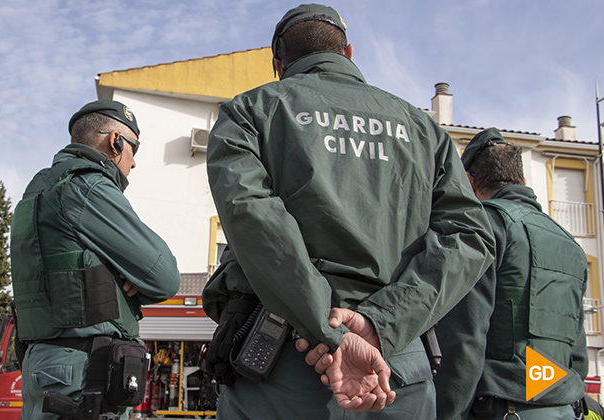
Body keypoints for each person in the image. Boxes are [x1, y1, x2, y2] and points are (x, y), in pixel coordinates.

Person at [201, 4, 495, 419]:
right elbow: (470, 236)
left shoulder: (251, 110)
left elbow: (254, 221)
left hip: (284, 365)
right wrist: (379, 324)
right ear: (349, 53)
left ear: (278, 64)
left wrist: (330, 331)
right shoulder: (424, 129)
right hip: (395, 368)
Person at [10, 99, 182, 419]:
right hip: (83, 372)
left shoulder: (36, 192)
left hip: (42, 363)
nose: (133, 164)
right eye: (134, 150)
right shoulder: (88, 185)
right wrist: (130, 276)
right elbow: (165, 276)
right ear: (116, 141)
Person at [434, 127, 589, 420]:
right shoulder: (571, 244)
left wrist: (448, 413)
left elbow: (464, 338)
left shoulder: (486, 228)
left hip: (504, 408)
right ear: (523, 180)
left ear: (468, 181)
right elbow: (578, 355)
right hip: (564, 409)